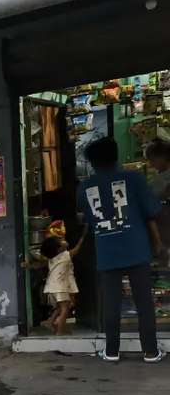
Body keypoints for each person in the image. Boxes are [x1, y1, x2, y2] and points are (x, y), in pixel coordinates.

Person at [78, 137, 165, 363]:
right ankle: (150, 351)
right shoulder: (134, 178)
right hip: (136, 247)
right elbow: (151, 213)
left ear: (92, 162)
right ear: (115, 156)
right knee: (144, 302)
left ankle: (111, 351)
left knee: (111, 304)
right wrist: (157, 243)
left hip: (107, 251)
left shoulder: (85, 187)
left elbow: (89, 220)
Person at [23, 230, 86, 335]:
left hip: (52, 287)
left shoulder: (51, 259)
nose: (64, 240)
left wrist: (28, 266)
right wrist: (83, 237)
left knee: (60, 307)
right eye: (61, 241)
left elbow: (39, 265)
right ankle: (60, 330)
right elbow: (77, 249)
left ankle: (50, 322)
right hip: (60, 287)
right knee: (65, 308)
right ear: (59, 249)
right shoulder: (65, 255)